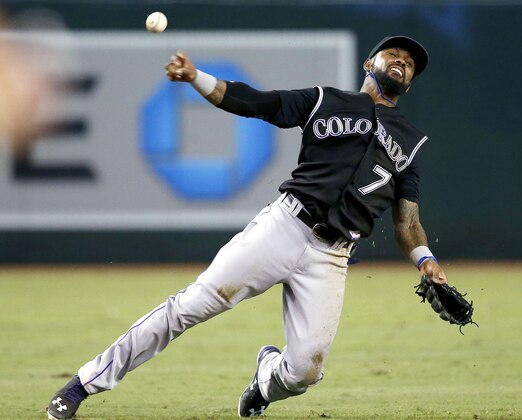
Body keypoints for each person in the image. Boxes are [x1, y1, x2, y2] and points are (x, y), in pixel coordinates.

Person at [46, 35, 449, 419]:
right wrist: (197, 78)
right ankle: (80, 386)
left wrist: (425, 260)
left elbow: (407, 219)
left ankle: (264, 380)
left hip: (332, 256)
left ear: (410, 83)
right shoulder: (325, 100)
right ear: (368, 63)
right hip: (284, 227)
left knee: (304, 371)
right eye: (394, 54)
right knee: (190, 306)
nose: (402, 62)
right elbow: (258, 102)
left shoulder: (411, 141)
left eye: (410, 63)